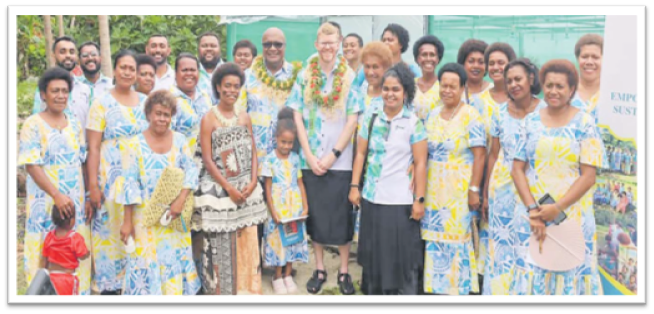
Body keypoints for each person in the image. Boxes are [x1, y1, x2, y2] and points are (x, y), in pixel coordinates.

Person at [511, 59, 606, 295]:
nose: (553, 91)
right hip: (533, 216)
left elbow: (589, 176)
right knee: (533, 273)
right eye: (549, 85)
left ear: (572, 89)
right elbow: (517, 169)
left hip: (572, 215)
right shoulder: (529, 121)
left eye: (560, 86)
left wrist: (558, 207)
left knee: (570, 274)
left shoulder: (586, 123)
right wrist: (533, 210)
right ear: (542, 86)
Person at [286, 22, 359, 295]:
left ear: (339, 43)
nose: (328, 47)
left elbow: (353, 118)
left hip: (340, 160)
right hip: (311, 159)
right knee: (315, 216)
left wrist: (334, 154)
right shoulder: (305, 75)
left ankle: (343, 271)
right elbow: (297, 115)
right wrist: (307, 153)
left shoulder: (350, 76)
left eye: (333, 42)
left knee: (341, 217)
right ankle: (319, 268)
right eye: (323, 42)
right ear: (316, 45)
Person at [350, 63, 427, 295]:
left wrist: (419, 200)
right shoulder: (371, 119)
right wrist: (354, 186)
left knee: (401, 256)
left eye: (396, 89)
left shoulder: (413, 122)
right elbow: (361, 153)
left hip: (401, 201)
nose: (390, 94)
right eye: (386, 89)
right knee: (375, 255)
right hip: (372, 198)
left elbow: (421, 162)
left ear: (405, 92)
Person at [117, 90, 201, 295]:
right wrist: (127, 222)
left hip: (173, 216)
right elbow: (129, 184)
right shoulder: (134, 144)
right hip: (145, 218)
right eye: (158, 113)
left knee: (174, 260)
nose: (162, 119)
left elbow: (191, 171)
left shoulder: (180, 140)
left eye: (166, 114)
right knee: (145, 260)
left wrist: (180, 201)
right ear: (148, 115)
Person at [193, 63, 267, 295]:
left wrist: (254, 181)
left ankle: (247, 292)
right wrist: (228, 189)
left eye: (236, 86)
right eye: (227, 86)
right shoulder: (209, 119)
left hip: (247, 190)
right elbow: (207, 158)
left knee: (248, 246)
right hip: (219, 194)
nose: (232, 90)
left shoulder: (244, 116)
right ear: (218, 87)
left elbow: (253, 150)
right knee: (220, 248)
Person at [19, 67, 92, 295]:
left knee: (75, 254)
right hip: (45, 204)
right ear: (43, 94)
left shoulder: (73, 123)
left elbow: (82, 161)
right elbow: (32, 165)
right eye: (54, 91)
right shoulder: (32, 124)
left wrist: (88, 195)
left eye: (64, 91)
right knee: (44, 259)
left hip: (74, 205)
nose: (60, 95)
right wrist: (56, 195)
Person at [86, 50, 149, 294]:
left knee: (136, 230)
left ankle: (136, 284)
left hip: (139, 179)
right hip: (109, 179)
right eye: (122, 67)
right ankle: (110, 288)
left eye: (131, 69)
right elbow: (92, 146)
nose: (127, 72)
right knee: (110, 233)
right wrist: (93, 185)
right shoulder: (101, 102)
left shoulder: (145, 101)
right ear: (114, 70)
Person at [422, 63, 486, 295]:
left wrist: (474, 189)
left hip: (458, 190)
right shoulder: (431, 114)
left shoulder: (471, 115)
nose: (447, 90)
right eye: (444, 85)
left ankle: (457, 291)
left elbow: (480, 155)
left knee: (457, 240)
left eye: (453, 86)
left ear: (462, 88)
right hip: (433, 189)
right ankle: (435, 291)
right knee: (434, 241)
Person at [482, 58, 545, 295]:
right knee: (501, 249)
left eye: (518, 79)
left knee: (530, 247)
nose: (513, 84)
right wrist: (487, 193)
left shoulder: (545, 111)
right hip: (502, 192)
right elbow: (493, 154)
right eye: (509, 81)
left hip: (534, 189)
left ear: (531, 79)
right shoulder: (499, 113)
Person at [261, 108, 310, 294]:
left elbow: (300, 183)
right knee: (278, 242)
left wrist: (305, 206)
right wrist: (272, 211)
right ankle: (277, 276)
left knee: (292, 240)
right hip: (278, 208)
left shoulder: (296, 158)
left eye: (290, 143)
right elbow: (267, 187)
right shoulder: (270, 160)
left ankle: (288, 274)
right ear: (276, 139)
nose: (287, 146)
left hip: (294, 207)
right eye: (283, 142)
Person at [32, 36, 93, 129]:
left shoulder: (86, 89)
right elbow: (36, 122)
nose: (68, 55)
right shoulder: (45, 88)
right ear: (53, 56)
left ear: (76, 56)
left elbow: (93, 122)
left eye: (72, 52)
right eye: (62, 52)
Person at [169, 53, 212, 157]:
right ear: (175, 74)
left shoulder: (205, 97)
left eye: (193, 70)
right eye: (184, 70)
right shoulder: (168, 99)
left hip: (207, 165)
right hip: (181, 163)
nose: (189, 74)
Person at [42, 205, 90, 295]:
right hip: (68, 280)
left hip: (51, 277)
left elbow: (44, 258)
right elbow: (82, 255)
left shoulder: (49, 236)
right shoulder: (75, 238)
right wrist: (87, 253)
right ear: (72, 221)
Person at [571, 34, 604, 124]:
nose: (589, 62)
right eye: (584, 57)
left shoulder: (612, 94)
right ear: (578, 59)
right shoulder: (567, 91)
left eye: (595, 57)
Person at [412, 35, 445, 122]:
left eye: (432, 55)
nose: (428, 58)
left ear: (438, 59)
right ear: (418, 59)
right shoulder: (410, 85)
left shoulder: (444, 85)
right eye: (424, 55)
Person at [197, 32, 226, 105]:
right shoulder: (189, 73)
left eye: (213, 46)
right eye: (204, 46)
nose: (209, 49)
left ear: (220, 49)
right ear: (198, 49)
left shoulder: (229, 72)